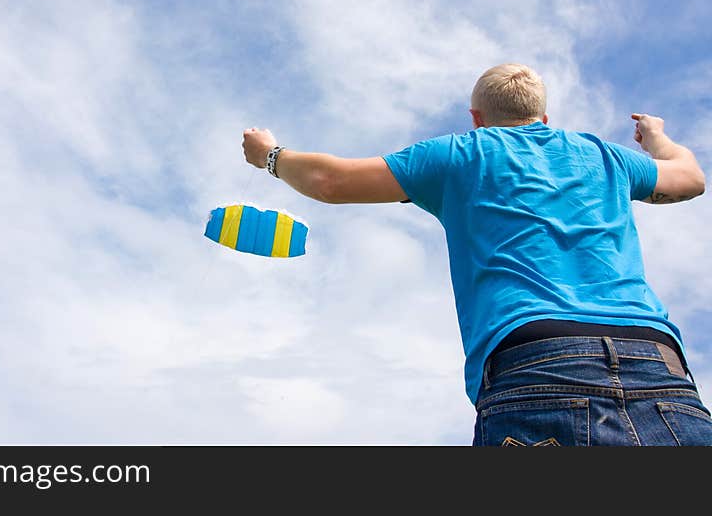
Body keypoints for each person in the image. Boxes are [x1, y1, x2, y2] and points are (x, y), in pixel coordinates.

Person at [241, 63, 712, 446]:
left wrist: (270, 154)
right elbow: (689, 178)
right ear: (543, 119)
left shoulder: (458, 154)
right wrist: (655, 138)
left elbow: (331, 182)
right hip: (658, 366)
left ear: (476, 117)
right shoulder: (604, 156)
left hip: (534, 365)